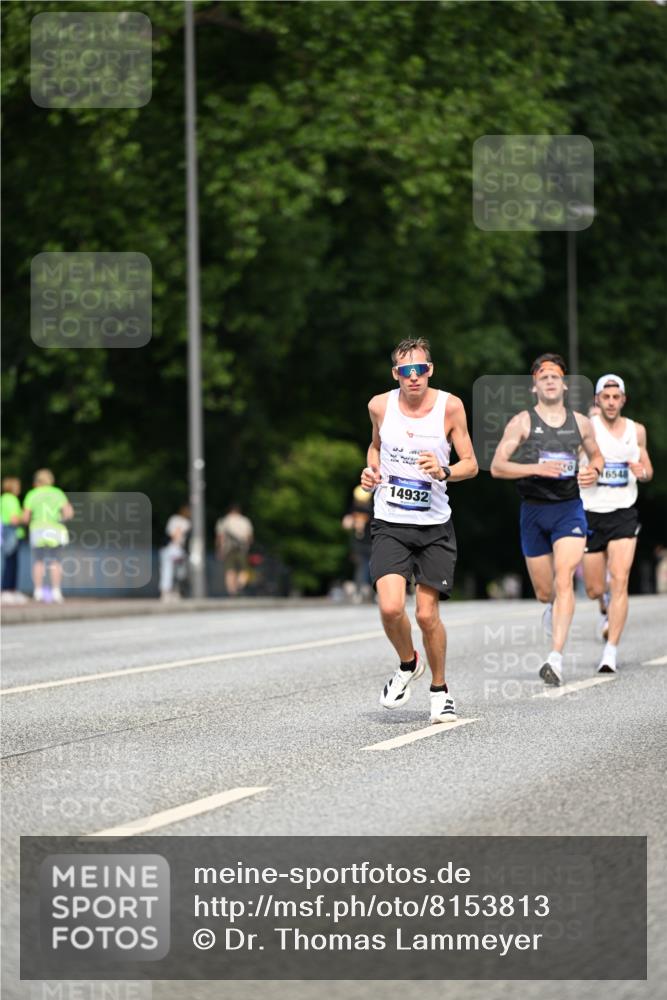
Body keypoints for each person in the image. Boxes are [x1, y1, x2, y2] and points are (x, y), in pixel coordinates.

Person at [360, 337, 478, 724]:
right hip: (391, 521)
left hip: (434, 527)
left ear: (431, 370)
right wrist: (371, 470)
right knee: (391, 606)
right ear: (396, 374)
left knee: (427, 616)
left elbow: (471, 464)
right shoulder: (380, 405)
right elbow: (374, 447)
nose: (414, 377)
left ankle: (440, 690)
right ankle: (408, 663)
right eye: (406, 371)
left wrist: (444, 471)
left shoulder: (450, 407)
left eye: (421, 369)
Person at [490, 354, 604, 686]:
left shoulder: (581, 422)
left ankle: (555, 658)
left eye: (556, 376)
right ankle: (551, 608)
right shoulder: (523, 422)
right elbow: (498, 466)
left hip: (568, 509)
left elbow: (596, 453)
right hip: (533, 511)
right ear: (534, 385)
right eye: (544, 376)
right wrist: (535, 468)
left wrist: (594, 469)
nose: (550, 380)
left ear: (564, 384)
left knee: (565, 576)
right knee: (545, 591)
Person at [581, 374, 653, 673]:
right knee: (595, 587)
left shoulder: (636, 431)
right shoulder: (587, 430)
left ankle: (610, 652)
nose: (611, 402)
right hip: (591, 512)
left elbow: (647, 470)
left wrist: (642, 470)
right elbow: (571, 465)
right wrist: (582, 474)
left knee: (620, 579)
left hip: (624, 511)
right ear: (598, 400)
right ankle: (603, 606)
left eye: (616, 397)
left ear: (623, 400)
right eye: (605, 397)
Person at [22, 469, 73, 603]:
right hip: (55, 529)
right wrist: (60, 519)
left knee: (38, 561)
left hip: (38, 529)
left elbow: (25, 518)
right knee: (55, 561)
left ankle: (38, 592)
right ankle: (56, 592)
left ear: (37, 481)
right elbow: (69, 513)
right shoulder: (57, 493)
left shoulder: (32, 494)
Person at [341, 486, 373, 603]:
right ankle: (361, 591)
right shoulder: (353, 509)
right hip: (358, 544)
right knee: (362, 567)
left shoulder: (373, 509)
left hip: (370, 542)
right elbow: (346, 523)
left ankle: (370, 592)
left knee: (370, 567)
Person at [215, 504, 254, 596]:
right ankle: (240, 584)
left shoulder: (224, 521)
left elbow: (220, 537)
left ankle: (232, 591)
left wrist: (219, 550)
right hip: (242, 548)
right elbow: (249, 537)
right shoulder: (245, 521)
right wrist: (248, 546)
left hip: (228, 548)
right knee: (244, 569)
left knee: (229, 570)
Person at [1, 477, 27, 604]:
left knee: (11, 561)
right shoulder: (11, 499)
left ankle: (10, 590)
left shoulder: (4, 498)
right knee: (11, 562)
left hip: (9, 532)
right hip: (12, 532)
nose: (19, 488)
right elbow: (14, 519)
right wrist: (25, 519)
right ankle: (7, 589)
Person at [159, 505, 191, 601]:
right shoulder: (186, 522)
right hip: (176, 549)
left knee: (167, 570)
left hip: (168, 548)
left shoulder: (173, 519)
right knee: (177, 572)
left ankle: (166, 592)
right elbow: (176, 533)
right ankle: (174, 592)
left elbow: (170, 532)